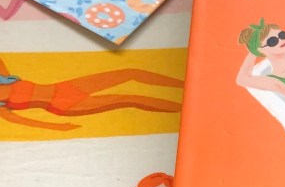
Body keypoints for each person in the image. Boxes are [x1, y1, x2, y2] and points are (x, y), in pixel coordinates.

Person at [0, 57, 183, 132]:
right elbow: (18, 120)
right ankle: (186, 109)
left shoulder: (3, 77)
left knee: (130, 73)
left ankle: (186, 84)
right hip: (62, 105)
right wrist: (57, 127)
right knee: (129, 99)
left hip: (64, 88)